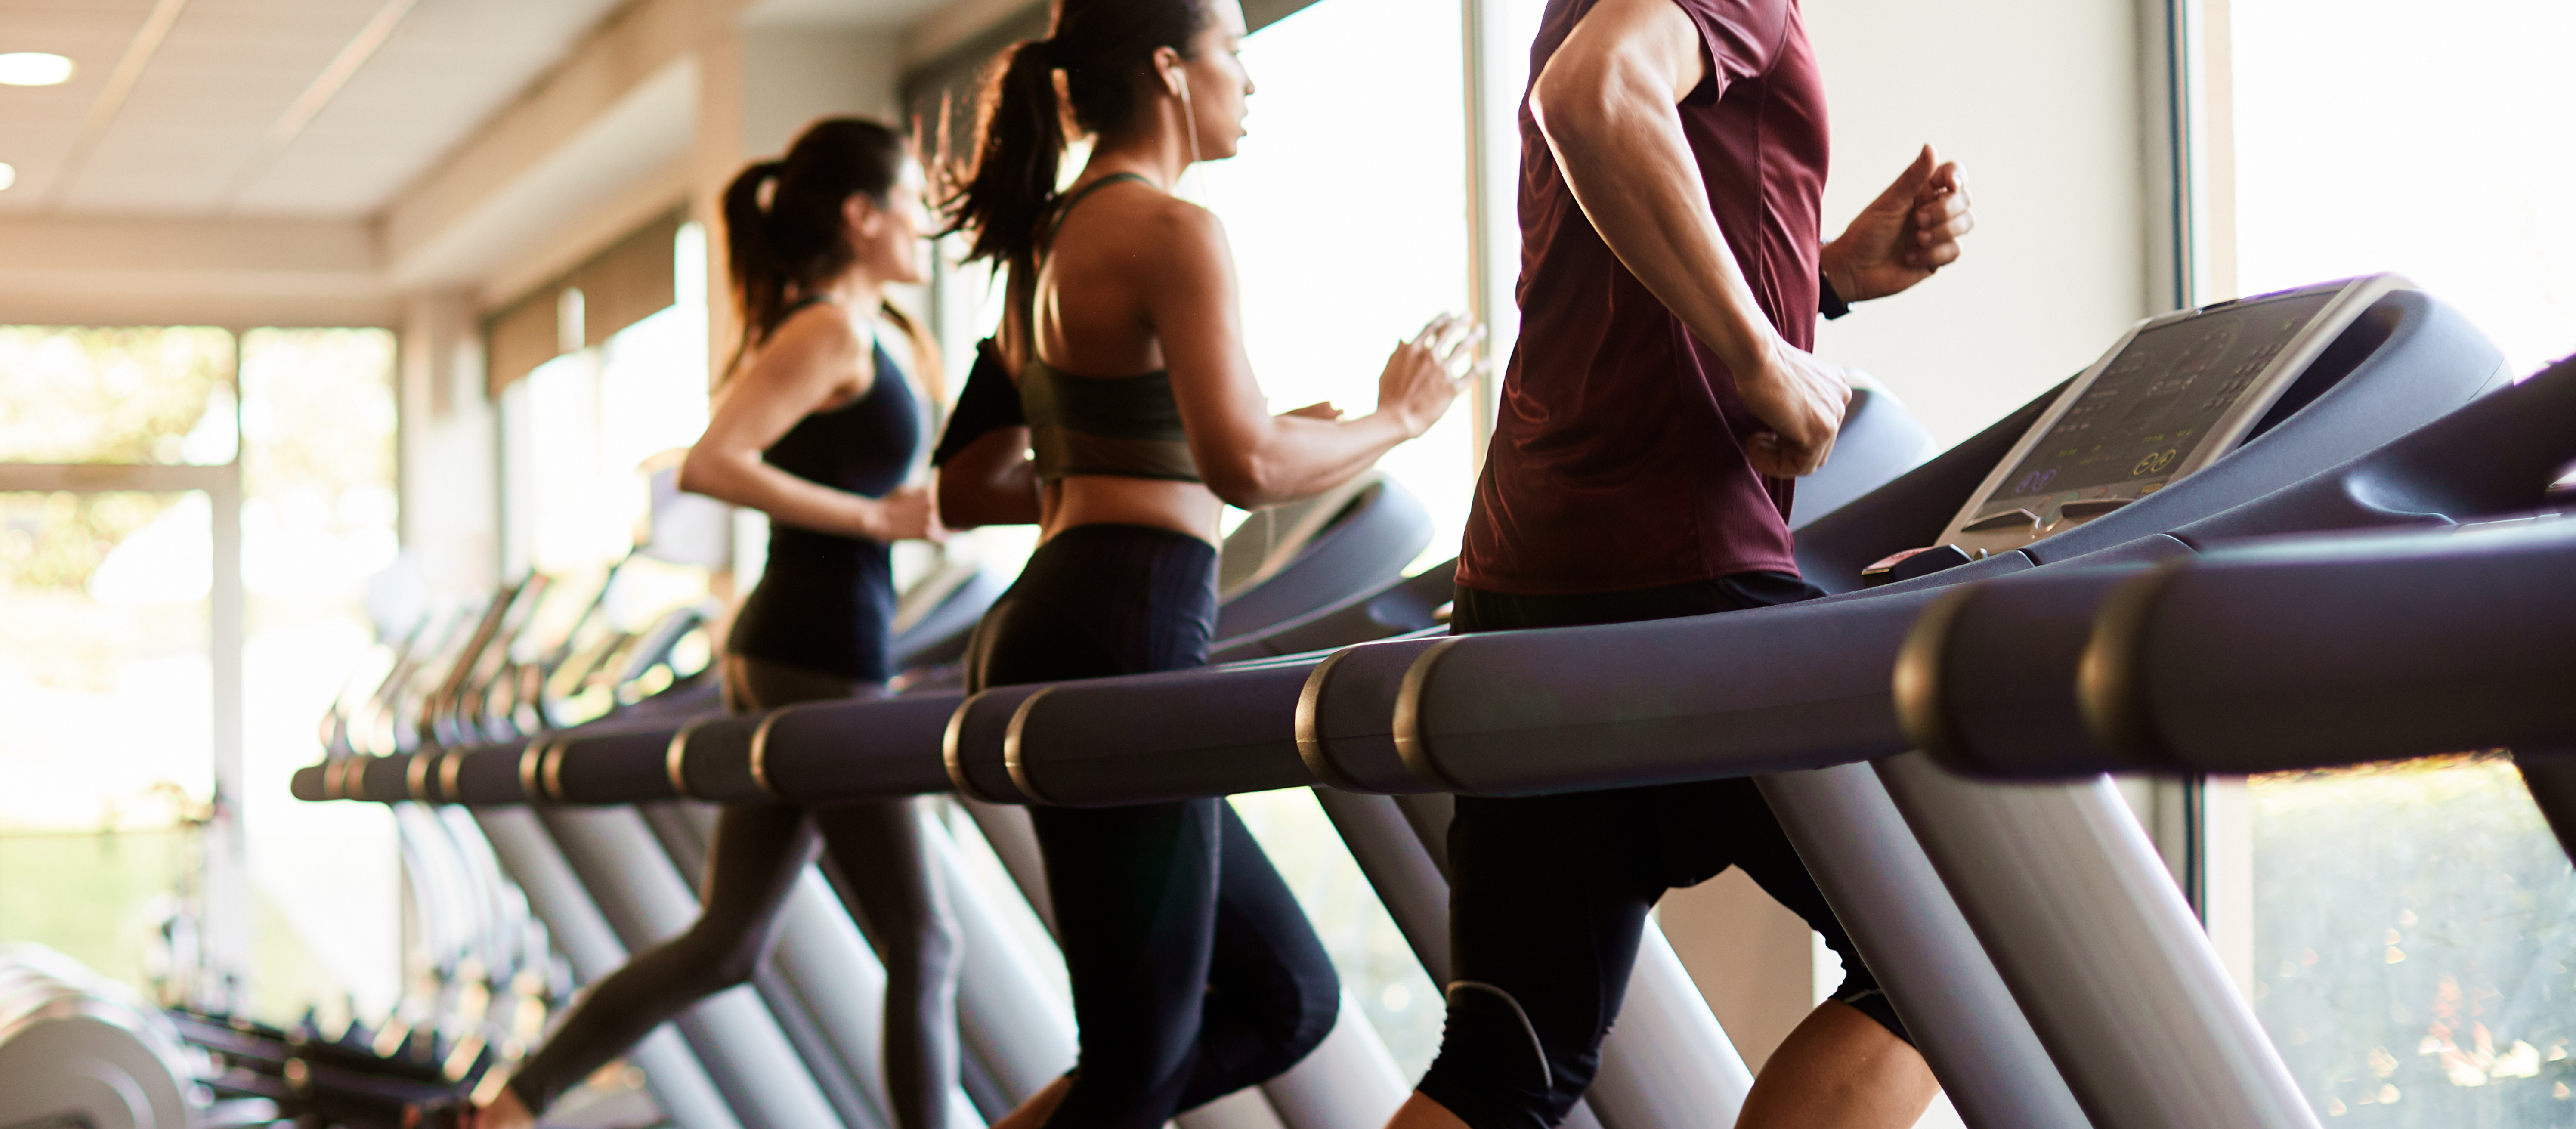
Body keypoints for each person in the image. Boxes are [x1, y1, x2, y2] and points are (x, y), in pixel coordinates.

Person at [1388, 0, 1975, 1127]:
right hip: (1677, 571)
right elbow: (1591, 96)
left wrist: (1825, 279)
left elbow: (1612, 271)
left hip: (1532, 575)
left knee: (1506, 1062)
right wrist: (1763, 357)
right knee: (1960, 951)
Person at [934, 1, 1480, 1124]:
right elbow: (1251, 464)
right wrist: (1397, 418)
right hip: (1123, 626)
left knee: (1287, 1000)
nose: (1251, 76)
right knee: (1139, 1056)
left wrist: (1177, 450)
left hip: (1055, 615)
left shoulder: (1042, 243)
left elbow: (968, 483)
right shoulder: (1172, 231)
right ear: (1171, 70)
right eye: (1233, 49)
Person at [464, 116, 959, 1129]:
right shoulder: (827, 331)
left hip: (811, 647)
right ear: (861, 218)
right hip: (817, 651)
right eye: (911, 200)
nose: (926, 221)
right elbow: (713, 462)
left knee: (730, 943)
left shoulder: (859, 331)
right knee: (924, 939)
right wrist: (873, 518)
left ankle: (510, 1106)